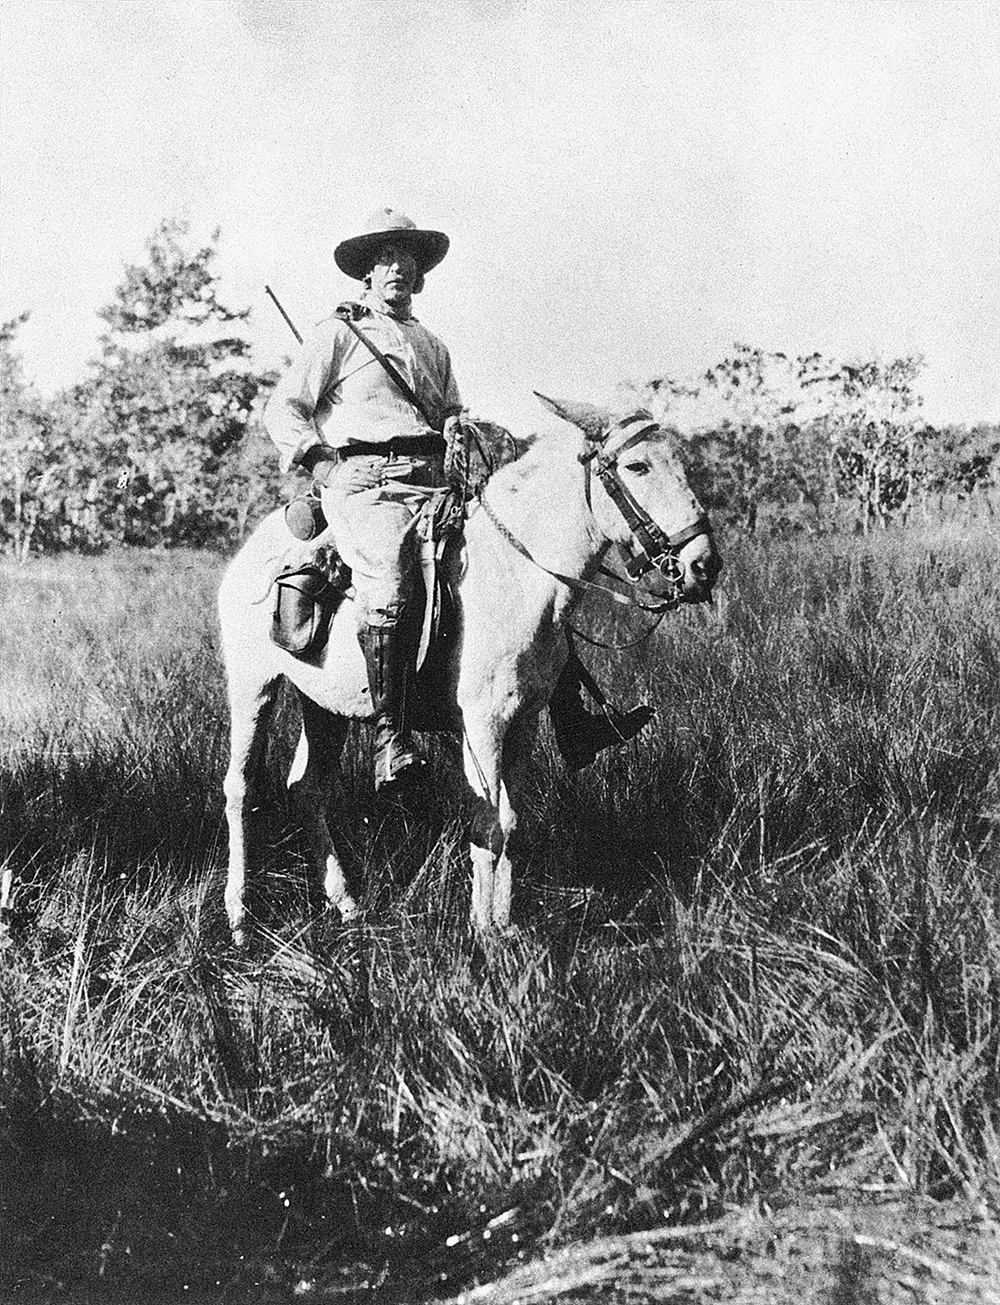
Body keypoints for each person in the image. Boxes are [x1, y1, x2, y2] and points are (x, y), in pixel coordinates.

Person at [265, 207, 651, 789]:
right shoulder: (337, 336)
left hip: (434, 480)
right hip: (365, 484)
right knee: (391, 583)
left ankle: (575, 721)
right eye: (384, 258)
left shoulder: (431, 344)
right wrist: (320, 462)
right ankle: (390, 738)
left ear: (420, 275)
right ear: (366, 274)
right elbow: (285, 408)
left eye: (408, 259)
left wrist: (457, 430)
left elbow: (448, 410)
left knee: (525, 581)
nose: (397, 267)